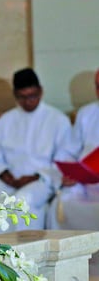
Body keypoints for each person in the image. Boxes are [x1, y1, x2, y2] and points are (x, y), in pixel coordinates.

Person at [0, 67, 79, 233]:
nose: (28, 101)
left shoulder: (57, 120)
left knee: (22, 201)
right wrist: (3, 173)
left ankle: (22, 249)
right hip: (9, 179)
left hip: (42, 181)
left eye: (32, 96)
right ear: (15, 95)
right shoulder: (5, 120)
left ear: (41, 91)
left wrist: (35, 177)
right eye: (22, 97)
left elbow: (64, 159)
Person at [47, 68, 99, 230]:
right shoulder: (86, 113)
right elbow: (69, 150)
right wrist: (69, 173)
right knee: (60, 203)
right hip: (86, 182)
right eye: (98, 87)